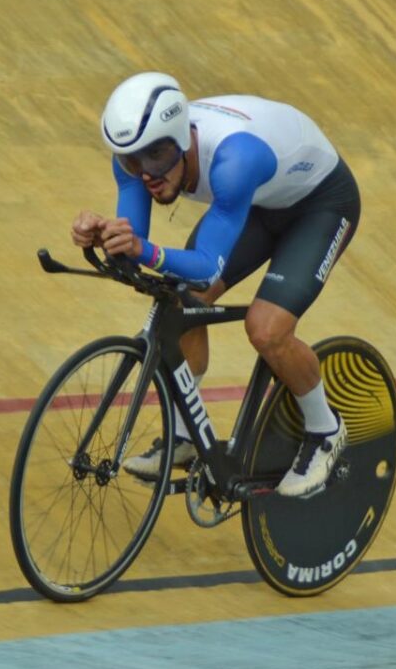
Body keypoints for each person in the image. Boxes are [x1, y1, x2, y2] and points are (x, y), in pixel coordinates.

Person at [71, 72, 361, 497]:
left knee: (266, 328)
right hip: (255, 202)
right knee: (181, 303)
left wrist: (142, 249)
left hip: (319, 205)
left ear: (181, 141)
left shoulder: (234, 160)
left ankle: (326, 430)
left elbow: (206, 266)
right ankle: (187, 437)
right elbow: (132, 245)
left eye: (157, 157)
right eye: (133, 162)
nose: (147, 174)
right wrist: (103, 237)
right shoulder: (138, 159)